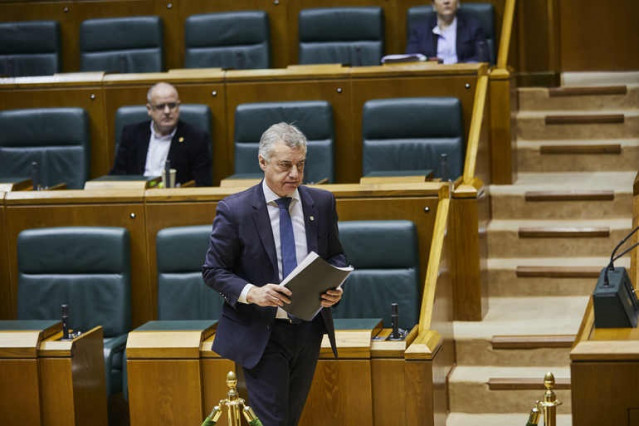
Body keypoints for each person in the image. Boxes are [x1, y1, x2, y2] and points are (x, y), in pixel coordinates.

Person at [202, 123, 346, 426]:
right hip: (261, 333)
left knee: (289, 419)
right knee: (273, 422)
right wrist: (252, 292)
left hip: (307, 330)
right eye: (285, 165)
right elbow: (213, 271)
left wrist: (333, 286)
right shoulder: (235, 210)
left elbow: (335, 254)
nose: (294, 174)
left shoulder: (321, 203)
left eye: (300, 165)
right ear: (262, 162)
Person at [110, 82, 212, 186]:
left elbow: (203, 183)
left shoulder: (195, 138)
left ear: (178, 106)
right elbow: (118, 176)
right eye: (160, 107)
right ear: (149, 109)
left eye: (172, 105)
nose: (167, 111)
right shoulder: (132, 134)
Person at [406, 0, 489, 64]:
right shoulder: (419, 29)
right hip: (430, 78)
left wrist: (456, 67)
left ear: (458, 2)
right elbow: (412, 60)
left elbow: (482, 59)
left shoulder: (473, 26)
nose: (446, 1)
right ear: (433, 4)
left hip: (464, 78)